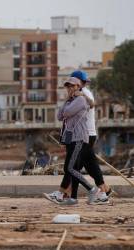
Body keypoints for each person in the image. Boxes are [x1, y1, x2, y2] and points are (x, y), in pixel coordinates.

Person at [45, 70, 112, 205]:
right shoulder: (76, 96)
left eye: (73, 85)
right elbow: (61, 115)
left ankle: (68, 193)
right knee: (84, 166)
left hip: (82, 136)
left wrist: (69, 103)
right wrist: (67, 100)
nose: (70, 88)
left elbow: (68, 112)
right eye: (68, 86)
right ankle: (92, 194)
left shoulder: (83, 95)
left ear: (79, 84)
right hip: (81, 136)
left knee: (73, 168)